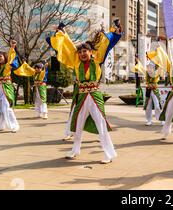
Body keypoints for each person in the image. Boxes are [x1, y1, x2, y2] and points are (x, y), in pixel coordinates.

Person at [49, 19, 122, 163]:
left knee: (101, 124)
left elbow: (105, 44)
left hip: (94, 95)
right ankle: (75, 149)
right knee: (78, 124)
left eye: (85, 51)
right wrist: (62, 32)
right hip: (82, 96)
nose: (82, 53)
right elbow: (68, 46)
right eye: (80, 51)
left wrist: (115, 30)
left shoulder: (97, 60)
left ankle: (108, 153)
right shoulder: (76, 62)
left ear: (90, 52)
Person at [134, 57, 163, 126]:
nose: (149, 68)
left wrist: (159, 62)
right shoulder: (146, 73)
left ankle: (161, 119)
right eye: (148, 67)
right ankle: (149, 120)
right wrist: (138, 61)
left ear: (153, 68)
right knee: (148, 106)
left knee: (157, 106)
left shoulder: (156, 73)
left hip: (155, 90)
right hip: (148, 91)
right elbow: (140, 68)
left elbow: (160, 68)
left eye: (150, 67)